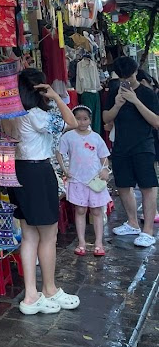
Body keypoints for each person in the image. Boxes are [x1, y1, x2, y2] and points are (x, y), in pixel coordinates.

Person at [10, 68, 80, 315]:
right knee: (48, 236)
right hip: (38, 172)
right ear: (39, 89)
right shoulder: (37, 115)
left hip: (19, 171)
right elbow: (73, 122)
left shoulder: (14, 114)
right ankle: (49, 288)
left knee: (30, 235)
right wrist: (57, 97)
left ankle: (31, 294)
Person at [103, 56, 159, 247]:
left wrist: (135, 101)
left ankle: (148, 230)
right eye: (122, 77)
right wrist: (118, 104)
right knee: (124, 185)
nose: (127, 80)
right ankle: (132, 222)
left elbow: (156, 122)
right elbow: (106, 118)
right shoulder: (113, 91)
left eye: (129, 75)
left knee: (147, 186)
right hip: (120, 145)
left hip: (143, 145)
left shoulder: (147, 93)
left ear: (136, 71)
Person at [57, 105, 112, 256]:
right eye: (78, 119)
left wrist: (105, 170)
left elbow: (104, 157)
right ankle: (81, 242)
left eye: (85, 119)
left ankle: (99, 243)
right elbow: (59, 153)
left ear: (90, 120)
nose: (81, 122)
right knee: (80, 210)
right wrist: (65, 169)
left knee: (96, 211)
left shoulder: (95, 137)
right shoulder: (68, 136)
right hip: (77, 179)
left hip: (94, 180)